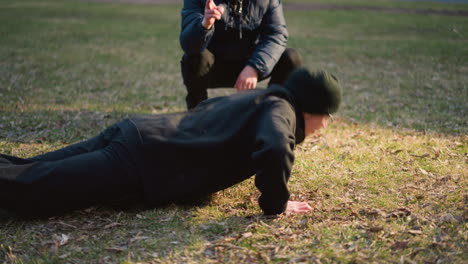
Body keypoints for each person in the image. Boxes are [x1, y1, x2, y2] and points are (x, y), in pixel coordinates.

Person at [0, 68, 341, 217]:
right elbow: (277, 147)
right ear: (309, 108)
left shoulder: (264, 99)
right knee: (38, 188)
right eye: (326, 116)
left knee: (37, 167)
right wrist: (277, 204)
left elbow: (207, 111)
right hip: (141, 158)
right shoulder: (281, 111)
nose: (324, 126)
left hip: (136, 132)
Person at [180, 0, 302, 109]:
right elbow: (189, 45)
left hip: (250, 63)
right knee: (195, 57)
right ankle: (197, 116)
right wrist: (205, 24)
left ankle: (273, 112)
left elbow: (276, 34)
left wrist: (254, 67)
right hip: (213, 66)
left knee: (290, 58)